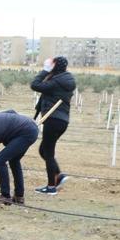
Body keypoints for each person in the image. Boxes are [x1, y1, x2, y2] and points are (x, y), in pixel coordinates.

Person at [30, 55, 76, 195]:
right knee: (43, 150)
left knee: (48, 153)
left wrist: (45, 70)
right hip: (62, 120)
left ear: (54, 66)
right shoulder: (65, 79)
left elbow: (35, 85)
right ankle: (59, 176)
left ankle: (51, 187)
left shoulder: (56, 82)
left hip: (53, 118)